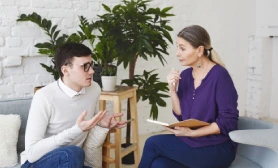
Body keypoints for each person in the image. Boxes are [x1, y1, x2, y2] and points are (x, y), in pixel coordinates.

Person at [139, 25, 239, 168]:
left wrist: (192, 134)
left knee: (152, 143)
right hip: (192, 143)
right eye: (177, 47)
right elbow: (181, 116)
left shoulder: (219, 76)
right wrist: (172, 91)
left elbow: (228, 121)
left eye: (182, 48)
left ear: (199, 50)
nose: (177, 53)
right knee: (158, 164)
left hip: (217, 148)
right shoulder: (185, 76)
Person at [21, 42, 127, 168]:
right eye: (85, 66)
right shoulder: (44, 97)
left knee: (75, 155)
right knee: (72, 152)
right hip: (39, 162)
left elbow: (85, 121)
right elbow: (32, 153)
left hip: (73, 163)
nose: (92, 71)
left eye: (91, 65)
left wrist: (100, 123)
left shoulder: (94, 89)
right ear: (65, 70)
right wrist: (75, 130)